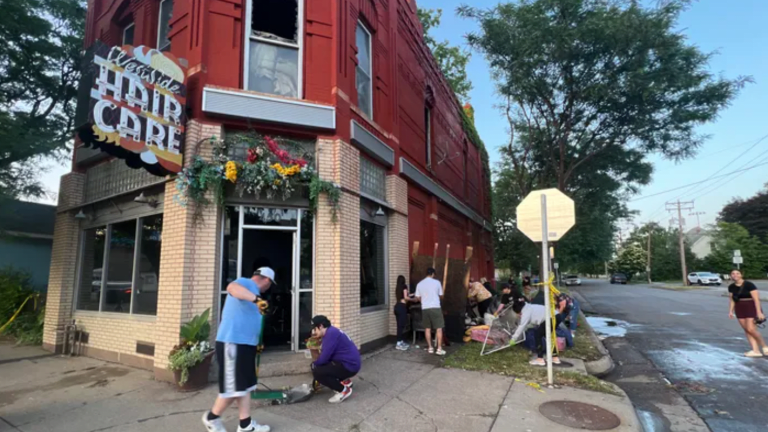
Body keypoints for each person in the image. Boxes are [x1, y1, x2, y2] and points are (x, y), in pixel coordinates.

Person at [203, 267, 276, 432]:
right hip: (232, 343)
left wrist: (256, 343)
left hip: (245, 345)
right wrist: (257, 299)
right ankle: (211, 418)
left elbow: (248, 321)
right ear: (266, 280)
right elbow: (232, 288)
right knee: (232, 388)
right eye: (270, 284)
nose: (268, 288)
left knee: (245, 386)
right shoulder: (245, 283)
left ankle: (245, 425)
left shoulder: (255, 295)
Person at [311, 315, 362, 403]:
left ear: (320, 326)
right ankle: (345, 381)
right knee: (323, 367)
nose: (313, 332)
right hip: (351, 363)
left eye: (315, 329)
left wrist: (314, 367)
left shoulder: (330, 335)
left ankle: (343, 390)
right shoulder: (332, 331)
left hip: (349, 365)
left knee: (317, 371)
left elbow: (324, 358)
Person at [509, 295, 561, 366]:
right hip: (556, 316)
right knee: (548, 336)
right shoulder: (529, 307)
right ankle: (555, 357)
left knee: (537, 335)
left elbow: (521, 326)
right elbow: (533, 322)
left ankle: (540, 359)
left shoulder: (526, 312)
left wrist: (513, 339)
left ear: (518, 310)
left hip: (551, 317)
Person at [728, 269, 768, 357]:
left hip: (751, 306)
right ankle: (755, 351)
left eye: (737, 273)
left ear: (741, 274)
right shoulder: (731, 287)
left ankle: (765, 346)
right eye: (733, 274)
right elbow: (732, 300)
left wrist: (759, 312)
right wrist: (731, 311)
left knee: (751, 329)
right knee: (746, 330)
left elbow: (756, 299)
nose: (735, 275)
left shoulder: (749, 285)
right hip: (739, 308)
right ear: (730, 275)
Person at [414, 267, 446, 355]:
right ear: (433, 274)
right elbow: (441, 295)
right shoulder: (437, 283)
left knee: (427, 329)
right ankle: (439, 349)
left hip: (425, 308)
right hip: (435, 307)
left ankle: (430, 348)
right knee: (439, 328)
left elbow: (417, 297)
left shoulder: (420, 284)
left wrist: (424, 301)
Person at [393, 275, 411, 351]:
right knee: (402, 325)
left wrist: (409, 295)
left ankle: (400, 341)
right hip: (402, 307)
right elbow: (406, 297)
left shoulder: (397, 288)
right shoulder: (404, 286)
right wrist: (412, 298)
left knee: (399, 325)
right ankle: (399, 343)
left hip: (397, 306)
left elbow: (402, 296)